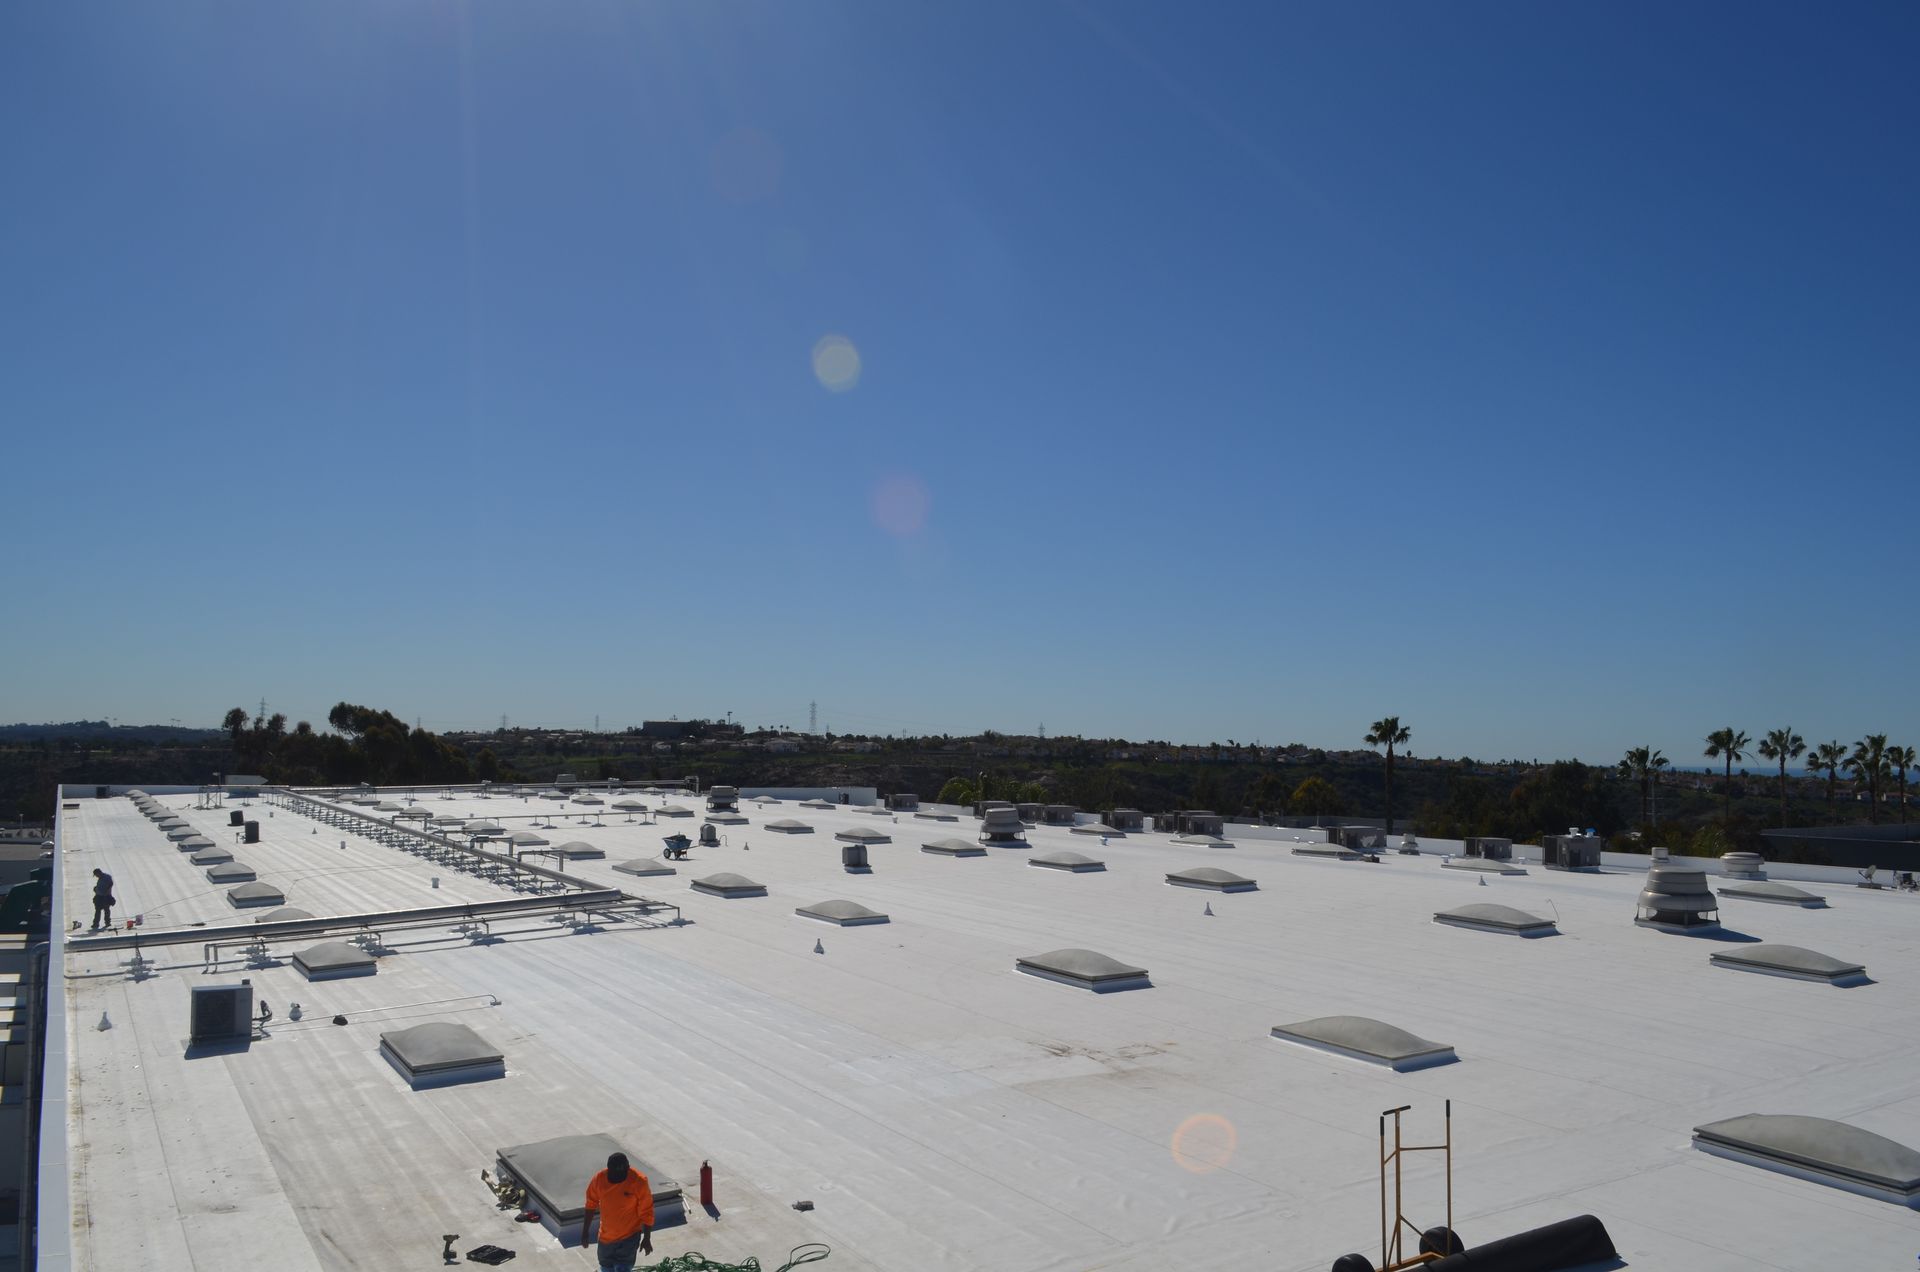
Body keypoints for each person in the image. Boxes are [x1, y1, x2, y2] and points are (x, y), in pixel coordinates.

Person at [582, 1151, 653, 1272]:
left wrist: (647, 1238)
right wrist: (585, 1232)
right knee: (606, 1269)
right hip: (605, 1237)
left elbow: (647, 1211)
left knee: (622, 1268)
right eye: (613, 1175)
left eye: (619, 1176)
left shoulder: (639, 1181)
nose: (615, 1179)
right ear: (608, 1169)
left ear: (628, 1169)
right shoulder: (599, 1179)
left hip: (629, 1237)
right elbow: (590, 1204)